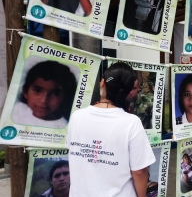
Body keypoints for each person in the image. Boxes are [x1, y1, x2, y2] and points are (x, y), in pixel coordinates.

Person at [67, 62, 155, 197]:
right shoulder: (131, 123)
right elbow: (139, 171)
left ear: (102, 83)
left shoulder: (76, 117)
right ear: (128, 90)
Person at [12, 61, 77, 128]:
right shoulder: (18, 109)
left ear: (64, 98)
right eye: (37, 90)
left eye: (55, 94)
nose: (43, 100)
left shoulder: (64, 126)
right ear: (25, 91)